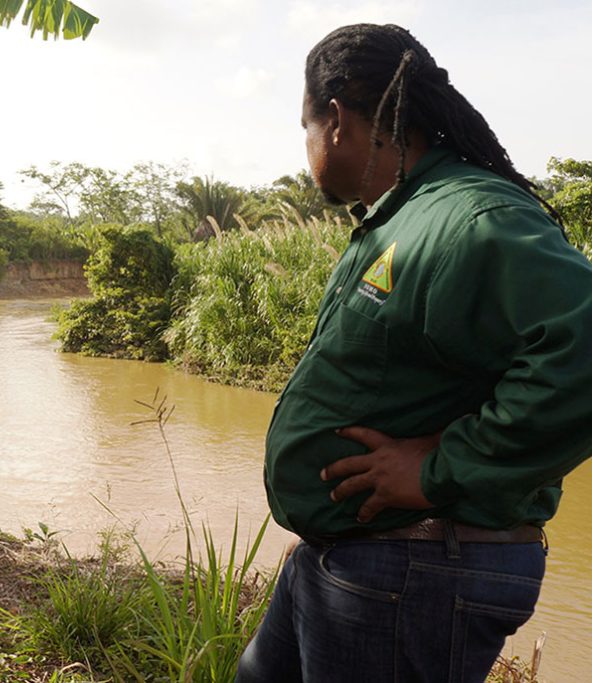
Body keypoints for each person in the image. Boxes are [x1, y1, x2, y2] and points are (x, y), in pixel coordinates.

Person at [235, 24, 592, 683]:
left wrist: (437, 469)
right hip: (358, 560)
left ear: (336, 121)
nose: (307, 144)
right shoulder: (403, 216)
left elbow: (583, 355)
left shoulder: (472, 218)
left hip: (417, 568)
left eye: (305, 126)